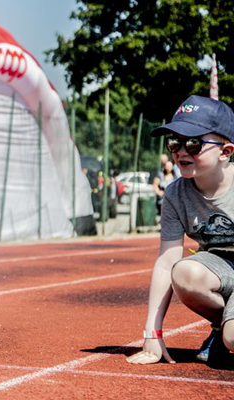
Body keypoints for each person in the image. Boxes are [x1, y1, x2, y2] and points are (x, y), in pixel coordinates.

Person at [126, 95, 234, 367]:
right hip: (223, 268)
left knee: (233, 339)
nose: (181, 151)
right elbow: (166, 263)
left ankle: (227, 332)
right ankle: (222, 326)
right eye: (174, 142)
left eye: (194, 143)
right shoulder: (175, 194)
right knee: (184, 272)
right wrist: (152, 333)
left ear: (225, 151)